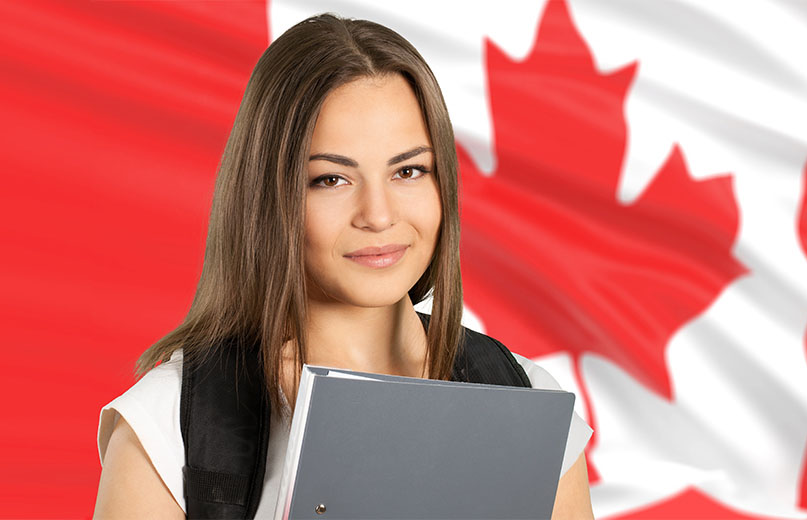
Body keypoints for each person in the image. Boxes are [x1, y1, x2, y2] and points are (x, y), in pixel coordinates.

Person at [92, 11, 594, 520]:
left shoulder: (527, 400)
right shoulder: (170, 426)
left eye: (409, 171)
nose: (378, 216)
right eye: (331, 179)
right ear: (268, 196)